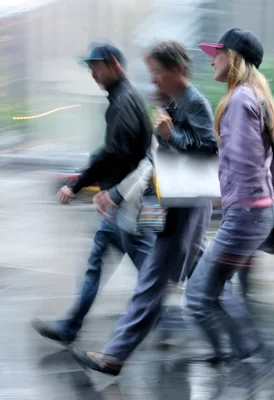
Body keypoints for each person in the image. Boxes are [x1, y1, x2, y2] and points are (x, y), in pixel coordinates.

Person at [73, 41, 217, 375]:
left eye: (157, 72)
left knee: (152, 280)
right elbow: (159, 157)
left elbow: (209, 150)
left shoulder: (194, 102)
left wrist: (171, 133)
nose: (153, 80)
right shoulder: (179, 102)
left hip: (186, 204)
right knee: (204, 277)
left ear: (177, 70)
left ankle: (114, 355)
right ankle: (238, 344)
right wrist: (120, 194)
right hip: (179, 203)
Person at [32, 44, 155, 346]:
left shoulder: (124, 101)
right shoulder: (123, 99)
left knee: (151, 272)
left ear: (114, 64)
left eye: (96, 66)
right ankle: (70, 327)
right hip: (120, 204)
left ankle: (172, 316)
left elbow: (115, 152)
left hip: (128, 205)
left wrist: (79, 184)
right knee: (101, 264)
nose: (92, 73)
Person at [185, 28, 274, 371]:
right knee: (214, 290)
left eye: (219, 52)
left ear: (235, 58)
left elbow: (244, 162)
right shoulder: (254, 96)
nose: (213, 58)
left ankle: (243, 359)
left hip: (245, 215)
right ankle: (245, 351)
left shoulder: (241, 99)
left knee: (197, 297)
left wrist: (229, 206)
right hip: (253, 213)